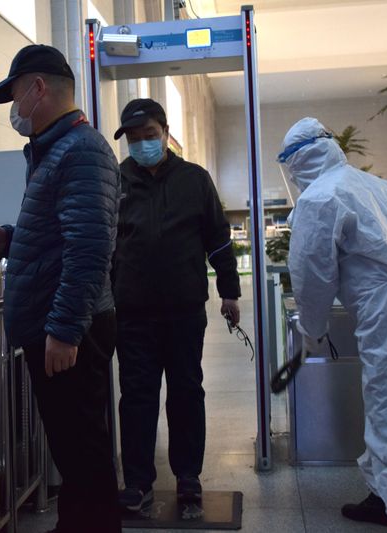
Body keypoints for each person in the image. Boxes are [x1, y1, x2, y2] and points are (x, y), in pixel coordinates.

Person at [0, 44, 121, 533]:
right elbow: (59, 236)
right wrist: (8, 240)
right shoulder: (54, 150)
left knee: (83, 453)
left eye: (15, 96)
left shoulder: (80, 149)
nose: (14, 109)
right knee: (73, 450)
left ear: (38, 88)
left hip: (67, 327)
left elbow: (89, 248)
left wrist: (63, 330)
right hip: (58, 324)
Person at [279, 117, 387, 533]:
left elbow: (313, 273)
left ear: (296, 162)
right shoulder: (381, 187)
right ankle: (384, 496)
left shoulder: (319, 198)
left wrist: (312, 329)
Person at [111, 98, 241, 511]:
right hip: (132, 312)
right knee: (136, 396)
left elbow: (218, 239)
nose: (142, 144)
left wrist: (230, 292)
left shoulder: (194, 180)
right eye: (133, 138)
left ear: (166, 132)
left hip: (184, 310)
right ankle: (137, 481)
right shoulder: (117, 181)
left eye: (148, 135)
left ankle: (188, 477)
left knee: (186, 391)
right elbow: (104, 246)